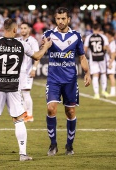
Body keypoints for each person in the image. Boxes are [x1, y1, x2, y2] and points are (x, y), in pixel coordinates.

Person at [0, 18, 52, 163]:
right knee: (18, 119)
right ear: (15, 30)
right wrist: (46, 47)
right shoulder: (22, 44)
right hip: (14, 86)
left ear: (4, 28)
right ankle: (23, 154)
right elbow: (38, 56)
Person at [43, 7, 91, 156]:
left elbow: (81, 57)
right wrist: (45, 47)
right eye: (58, 18)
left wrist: (87, 72)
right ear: (55, 19)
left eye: (63, 18)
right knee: (51, 108)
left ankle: (69, 146)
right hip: (53, 79)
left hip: (70, 80)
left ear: (69, 19)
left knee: (70, 112)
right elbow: (40, 52)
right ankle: (53, 144)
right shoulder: (48, 35)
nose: (61, 21)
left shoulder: (76, 36)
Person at [18, 22, 39, 122]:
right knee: (20, 93)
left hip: (27, 71)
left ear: (29, 30)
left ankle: (30, 115)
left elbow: (37, 56)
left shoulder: (32, 41)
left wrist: (34, 69)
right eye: (21, 28)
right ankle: (25, 113)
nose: (23, 30)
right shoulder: (18, 40)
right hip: (18, 72)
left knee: (26, 93)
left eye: (25, 28)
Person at [84, 23, 109, 99]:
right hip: (101, 57)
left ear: (92, 29)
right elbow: (106, 47)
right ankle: (104, 90)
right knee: (103, 73)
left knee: (95, 75)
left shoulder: (88, 37)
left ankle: (96, 93)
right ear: (99, 29)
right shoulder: (103, 37)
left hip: (93, 58)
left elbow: (84, 49)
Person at [105, 30, 116, 97]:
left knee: (111, 76)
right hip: (109, 61)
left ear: (109, 35)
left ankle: (113, 92)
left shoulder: (113, 43)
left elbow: (114, 54)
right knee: (109, 76)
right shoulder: (110, 42)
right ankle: (110, 91)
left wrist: (110, 63)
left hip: (110, 61)